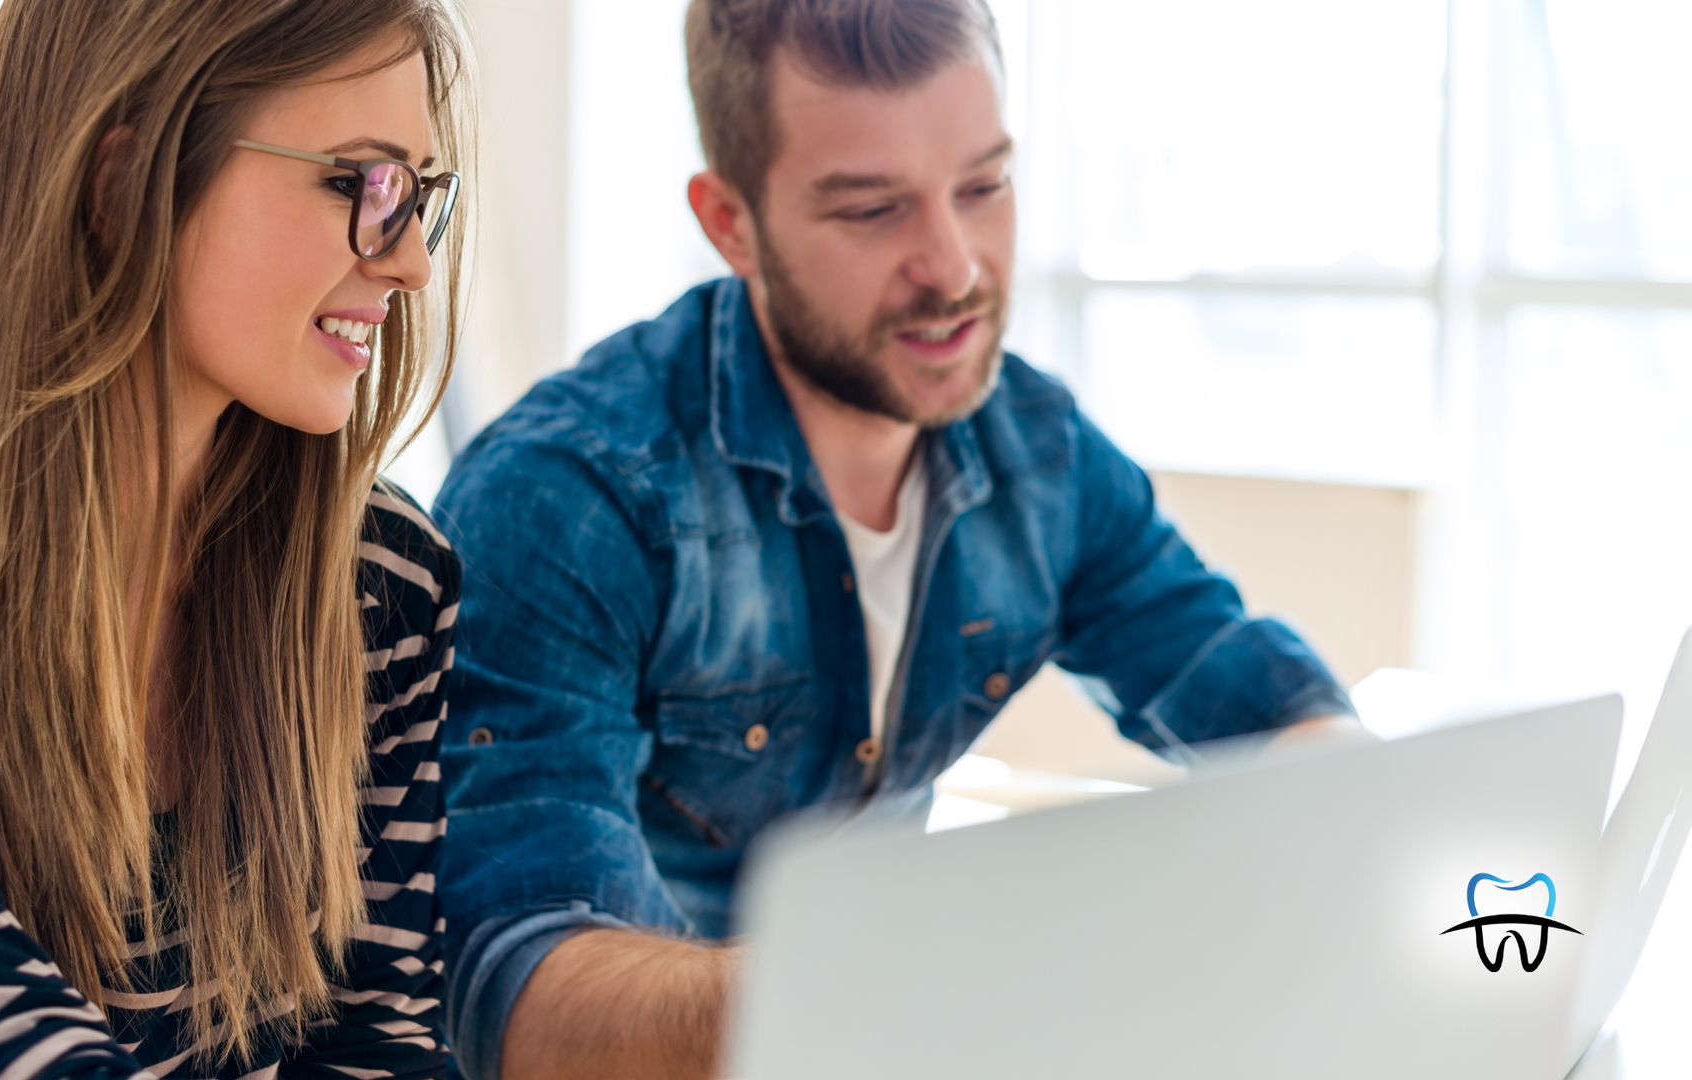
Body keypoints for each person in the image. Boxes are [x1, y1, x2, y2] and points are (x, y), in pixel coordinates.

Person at [433, 1, 1362, 1077]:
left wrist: (1375, 821)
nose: (955, 266)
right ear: (730, 221)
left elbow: (1245, 692)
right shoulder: (569, 498)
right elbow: (520, 997)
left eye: (984, 186)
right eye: (873, 210)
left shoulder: (1037, 454)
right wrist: (914, 982)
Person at [0, 1, 471, 1078]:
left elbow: (377, 1053)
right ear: (120, 183)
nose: (411, 263)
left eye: (416, 195)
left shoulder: (382, 583)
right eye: (355, 184)